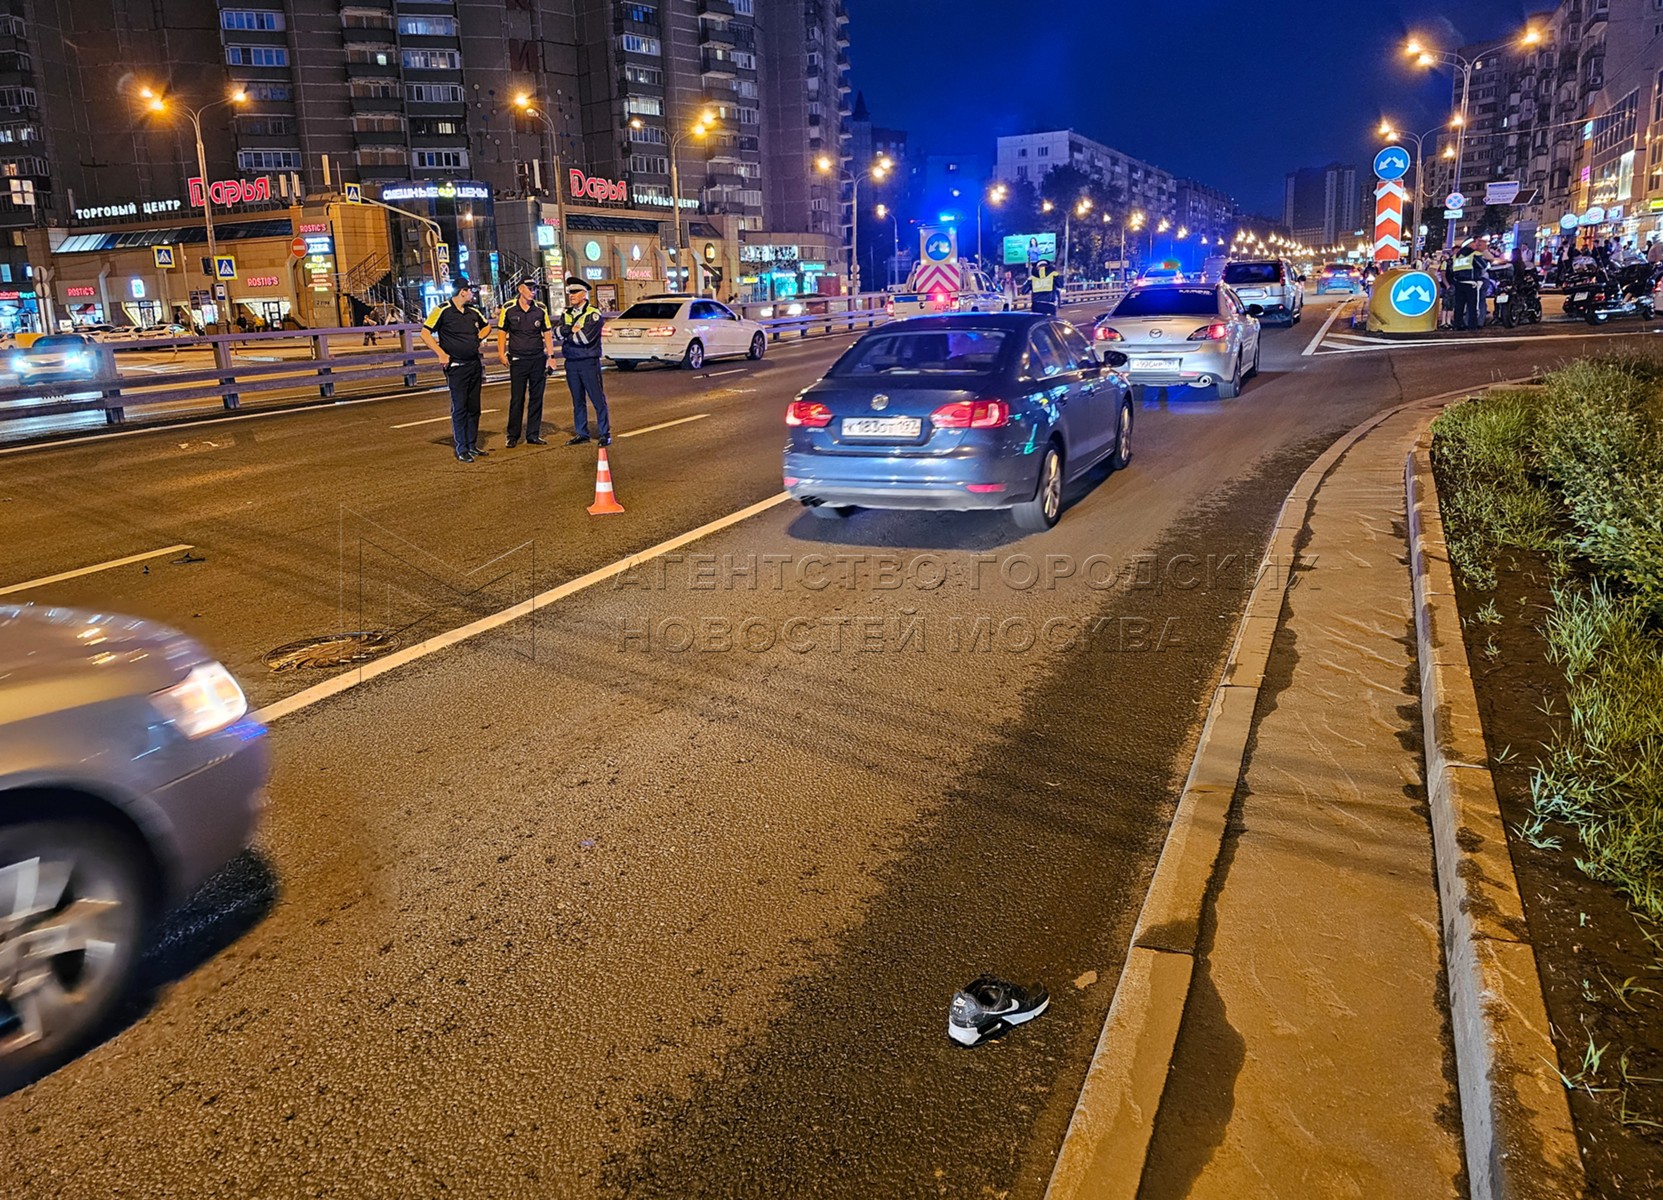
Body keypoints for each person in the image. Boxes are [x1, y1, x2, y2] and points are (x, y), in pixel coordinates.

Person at [419, 278, 490, 463]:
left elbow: (487, 326)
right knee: (460, 407)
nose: (473, 294)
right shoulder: (442, 310)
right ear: (463, 292)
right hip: (456, 367)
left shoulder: (473, 311)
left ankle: (472, 444)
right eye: (470, 291)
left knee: (474, 407)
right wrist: (441, 353)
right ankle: (462, 448)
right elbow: (425, 333)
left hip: (474, 364)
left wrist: (477, 338)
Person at [496, 278, 556, 448]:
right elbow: (502, 332)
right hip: (518, 360)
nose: (533, 291)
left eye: (534, 288)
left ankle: (533, 434)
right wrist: (501, 353)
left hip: (537, 359)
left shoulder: (540, 308)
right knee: (517, 398)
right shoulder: (508, 308)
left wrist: (551, 356)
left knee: (536, 398)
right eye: (529, 288)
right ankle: (513, 435)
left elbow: (547, 333)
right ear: (520, 289)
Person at [557, 277, 609, 447]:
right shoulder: (567, 313)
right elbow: (556, 333)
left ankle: (604, 433)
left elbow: (584, 338)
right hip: (571, 362)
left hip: (588, 361)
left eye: (574, 292)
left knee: (597, 398)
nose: (570, 295)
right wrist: (570, 330)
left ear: (583, 294)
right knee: (577, 400)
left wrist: (567, 334)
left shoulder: (593, 314)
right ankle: (582, 433)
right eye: (569, 292)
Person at [1446, 238, 1486, 332]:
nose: (1476, 245)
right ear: (1469, 244)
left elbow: (1451, 270)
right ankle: (1472, 326)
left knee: (1459, 306)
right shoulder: (1474, 254)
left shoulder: (1457, 256)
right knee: (1472, 306)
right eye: (1474, 243)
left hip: (1458, 283)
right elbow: (1483, 265)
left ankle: (1457, 324)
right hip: (1470, 283)